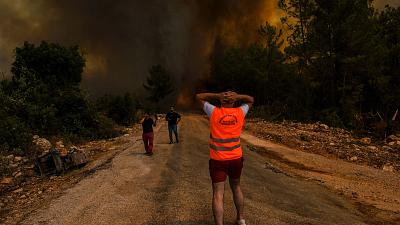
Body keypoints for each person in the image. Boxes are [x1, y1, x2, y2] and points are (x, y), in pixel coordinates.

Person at [196, 91, 254, 225]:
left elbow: (198, 97)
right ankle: (240, 219)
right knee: (236, 187)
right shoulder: (240, 112)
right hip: (236, 159)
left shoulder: (213, 112)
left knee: (218, 193)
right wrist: (238, 96)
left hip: (218, 160)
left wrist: (217, 96)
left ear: (222, 101)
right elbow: (251, 99)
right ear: (233, 101)